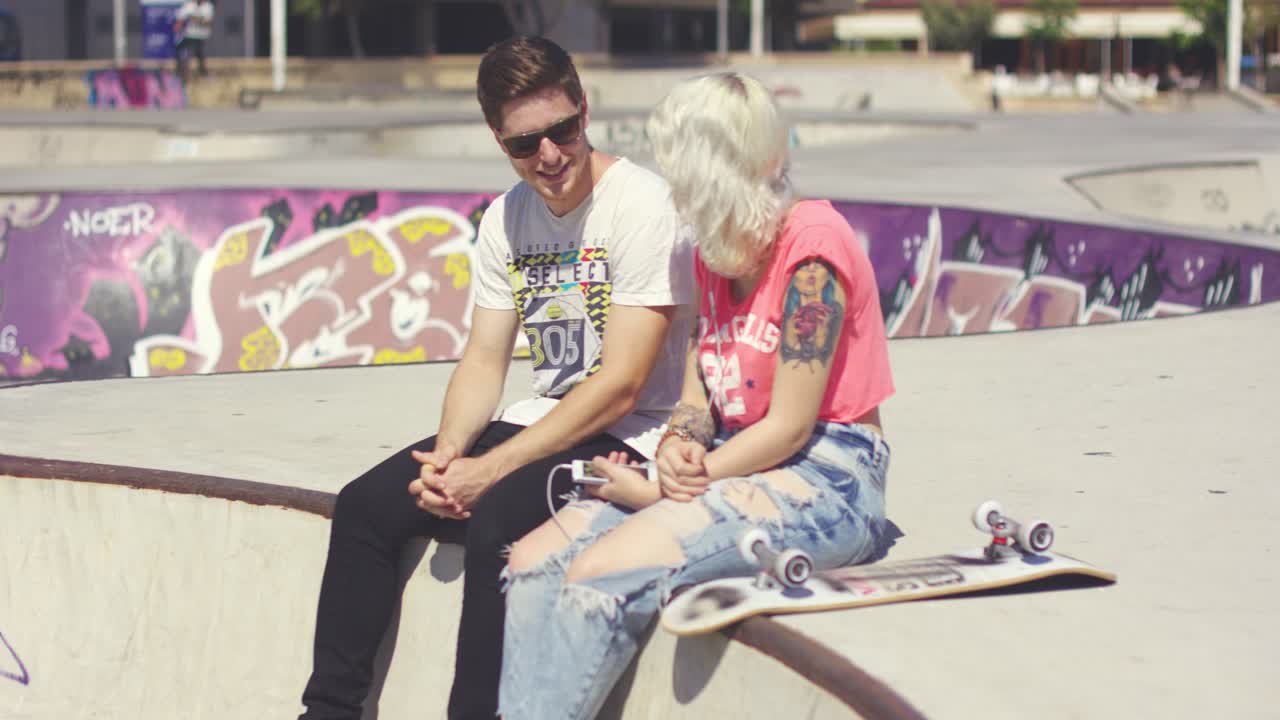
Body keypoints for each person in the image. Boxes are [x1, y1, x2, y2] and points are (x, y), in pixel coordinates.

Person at [297, 36, 695, 720]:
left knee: (497, 527)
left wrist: (492, 470)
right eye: (524, 144)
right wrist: (449, 454)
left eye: (562, 131)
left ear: (584, 110)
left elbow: (623, 384)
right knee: (364, 507)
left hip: (631, 436)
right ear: (498, 139)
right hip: (547, 420)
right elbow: (484, 359)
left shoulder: (642, 207)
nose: (549, 155)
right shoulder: (506, 218)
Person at [497, 71, 896, 720]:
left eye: (680, 172)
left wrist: (660, 489)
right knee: (532, 561)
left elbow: (791, 427)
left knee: (604, 572)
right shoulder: (714, 254)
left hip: (830, 476)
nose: (674, 188)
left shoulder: (813, 250)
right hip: (737, 459)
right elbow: (699, 389)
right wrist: (681, 441)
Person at [173, 0, 213, 80]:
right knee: (179, 48)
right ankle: (180, 71)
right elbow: (180, 20)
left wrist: (196, 19)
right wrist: (178, 26)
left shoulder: (208, 6)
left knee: (200, 53)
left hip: (202, 36)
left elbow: (208, 23)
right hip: (190, 35)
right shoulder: (189, 5)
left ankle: (203, 72)